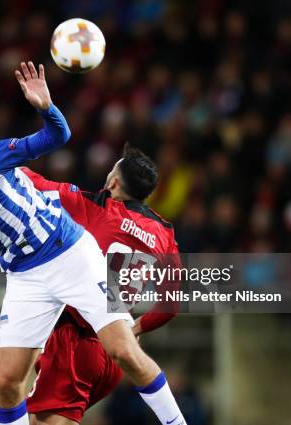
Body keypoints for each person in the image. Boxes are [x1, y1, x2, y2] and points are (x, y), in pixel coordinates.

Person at [0, 61, 186, 425]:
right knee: (6, 381)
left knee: (123, 350)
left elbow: (56, 138)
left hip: (69, 254)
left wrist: (46, 108)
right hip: (25, 275)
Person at [22, 144, 182, 425]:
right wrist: (136, 328)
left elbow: (34, 183)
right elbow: (170, 306)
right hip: (114, 350)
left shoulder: (96, 207)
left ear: (113, 181)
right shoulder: (164, 232)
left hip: (75, 340)